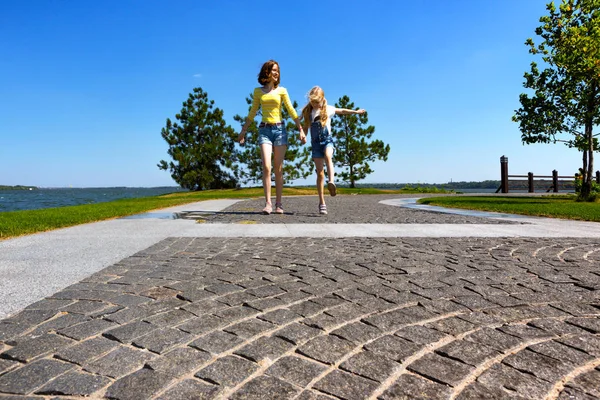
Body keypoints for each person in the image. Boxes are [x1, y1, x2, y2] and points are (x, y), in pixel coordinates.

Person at [238, 60, 306, 215]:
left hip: (280, 130)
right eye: (274, 70)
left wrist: (300, 129)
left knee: (278, 168)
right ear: (267, 72)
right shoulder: (257, 92)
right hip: (264, 131)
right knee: (267, 167)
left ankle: (279, 203)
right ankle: (268, 203)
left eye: (278, 71)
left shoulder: (282, 91)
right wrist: (243, 132)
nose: (277, 73)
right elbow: (252, 113)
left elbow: (290, 110)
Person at [301, 86, 365, 215]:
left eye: (317, 102)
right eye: (312, 102)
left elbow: (342, 110)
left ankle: (331, 182)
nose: (315, 104)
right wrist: (302, 135)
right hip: (315, 144)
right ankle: (322, 202)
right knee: (319, 174)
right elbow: (305, 127)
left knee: (328, 156)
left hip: (327, 140)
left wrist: (356, 112)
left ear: (322, 99)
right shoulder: (308, 112)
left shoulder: (328, 109)